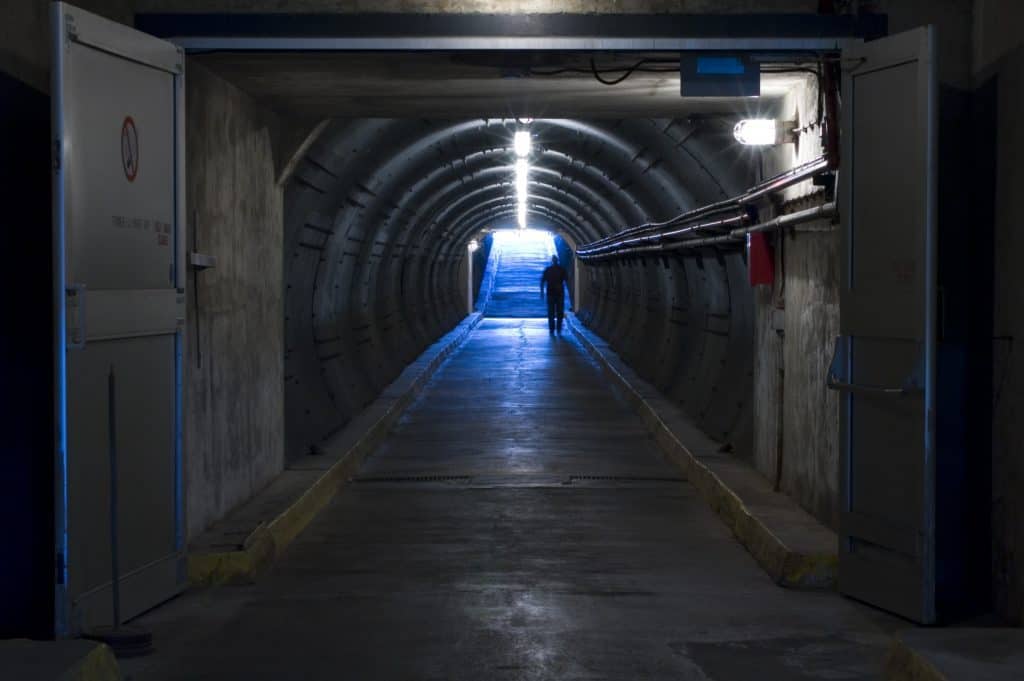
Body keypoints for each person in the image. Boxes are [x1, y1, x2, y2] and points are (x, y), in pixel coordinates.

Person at [540, 254, 568, 336]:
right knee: (559, 312)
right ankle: (558, 329)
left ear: (552, 261)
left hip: (551, 293)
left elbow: (542, 281)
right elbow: (567, 279)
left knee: (551, 312)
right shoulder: (562, 270)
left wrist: (542, 292)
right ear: (557, 260)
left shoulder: (548, 270)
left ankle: (552, 329)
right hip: (559, 293)